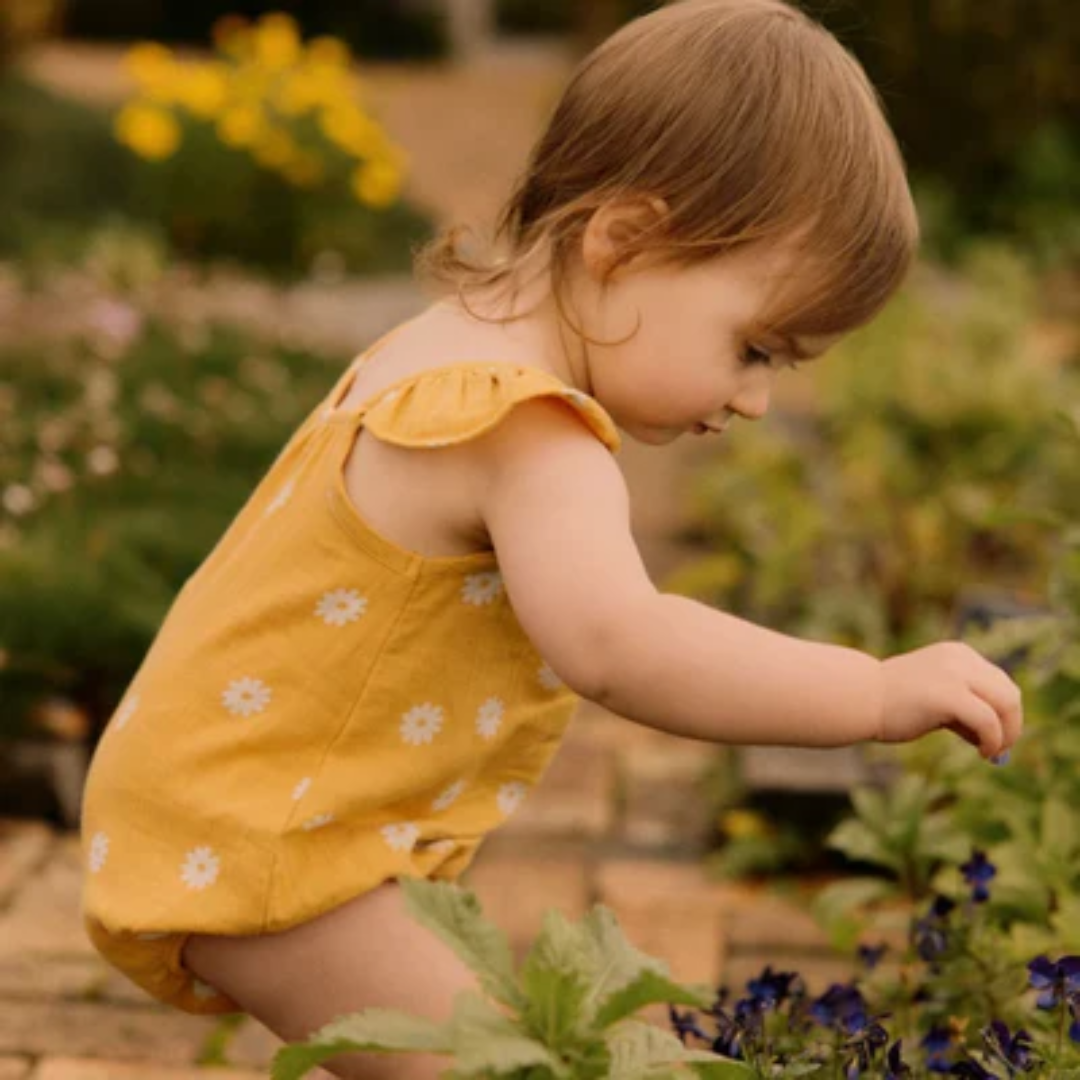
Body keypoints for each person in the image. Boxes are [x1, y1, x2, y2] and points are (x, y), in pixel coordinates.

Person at [79, 1, 1024, 1077]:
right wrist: (873, 693)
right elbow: (622, 646)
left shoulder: (443, 344)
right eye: (756, 347)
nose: (757, 400)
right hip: (268, 839)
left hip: (245, 802)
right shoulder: (529, 433)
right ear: (622, 241)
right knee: (509, 1071)